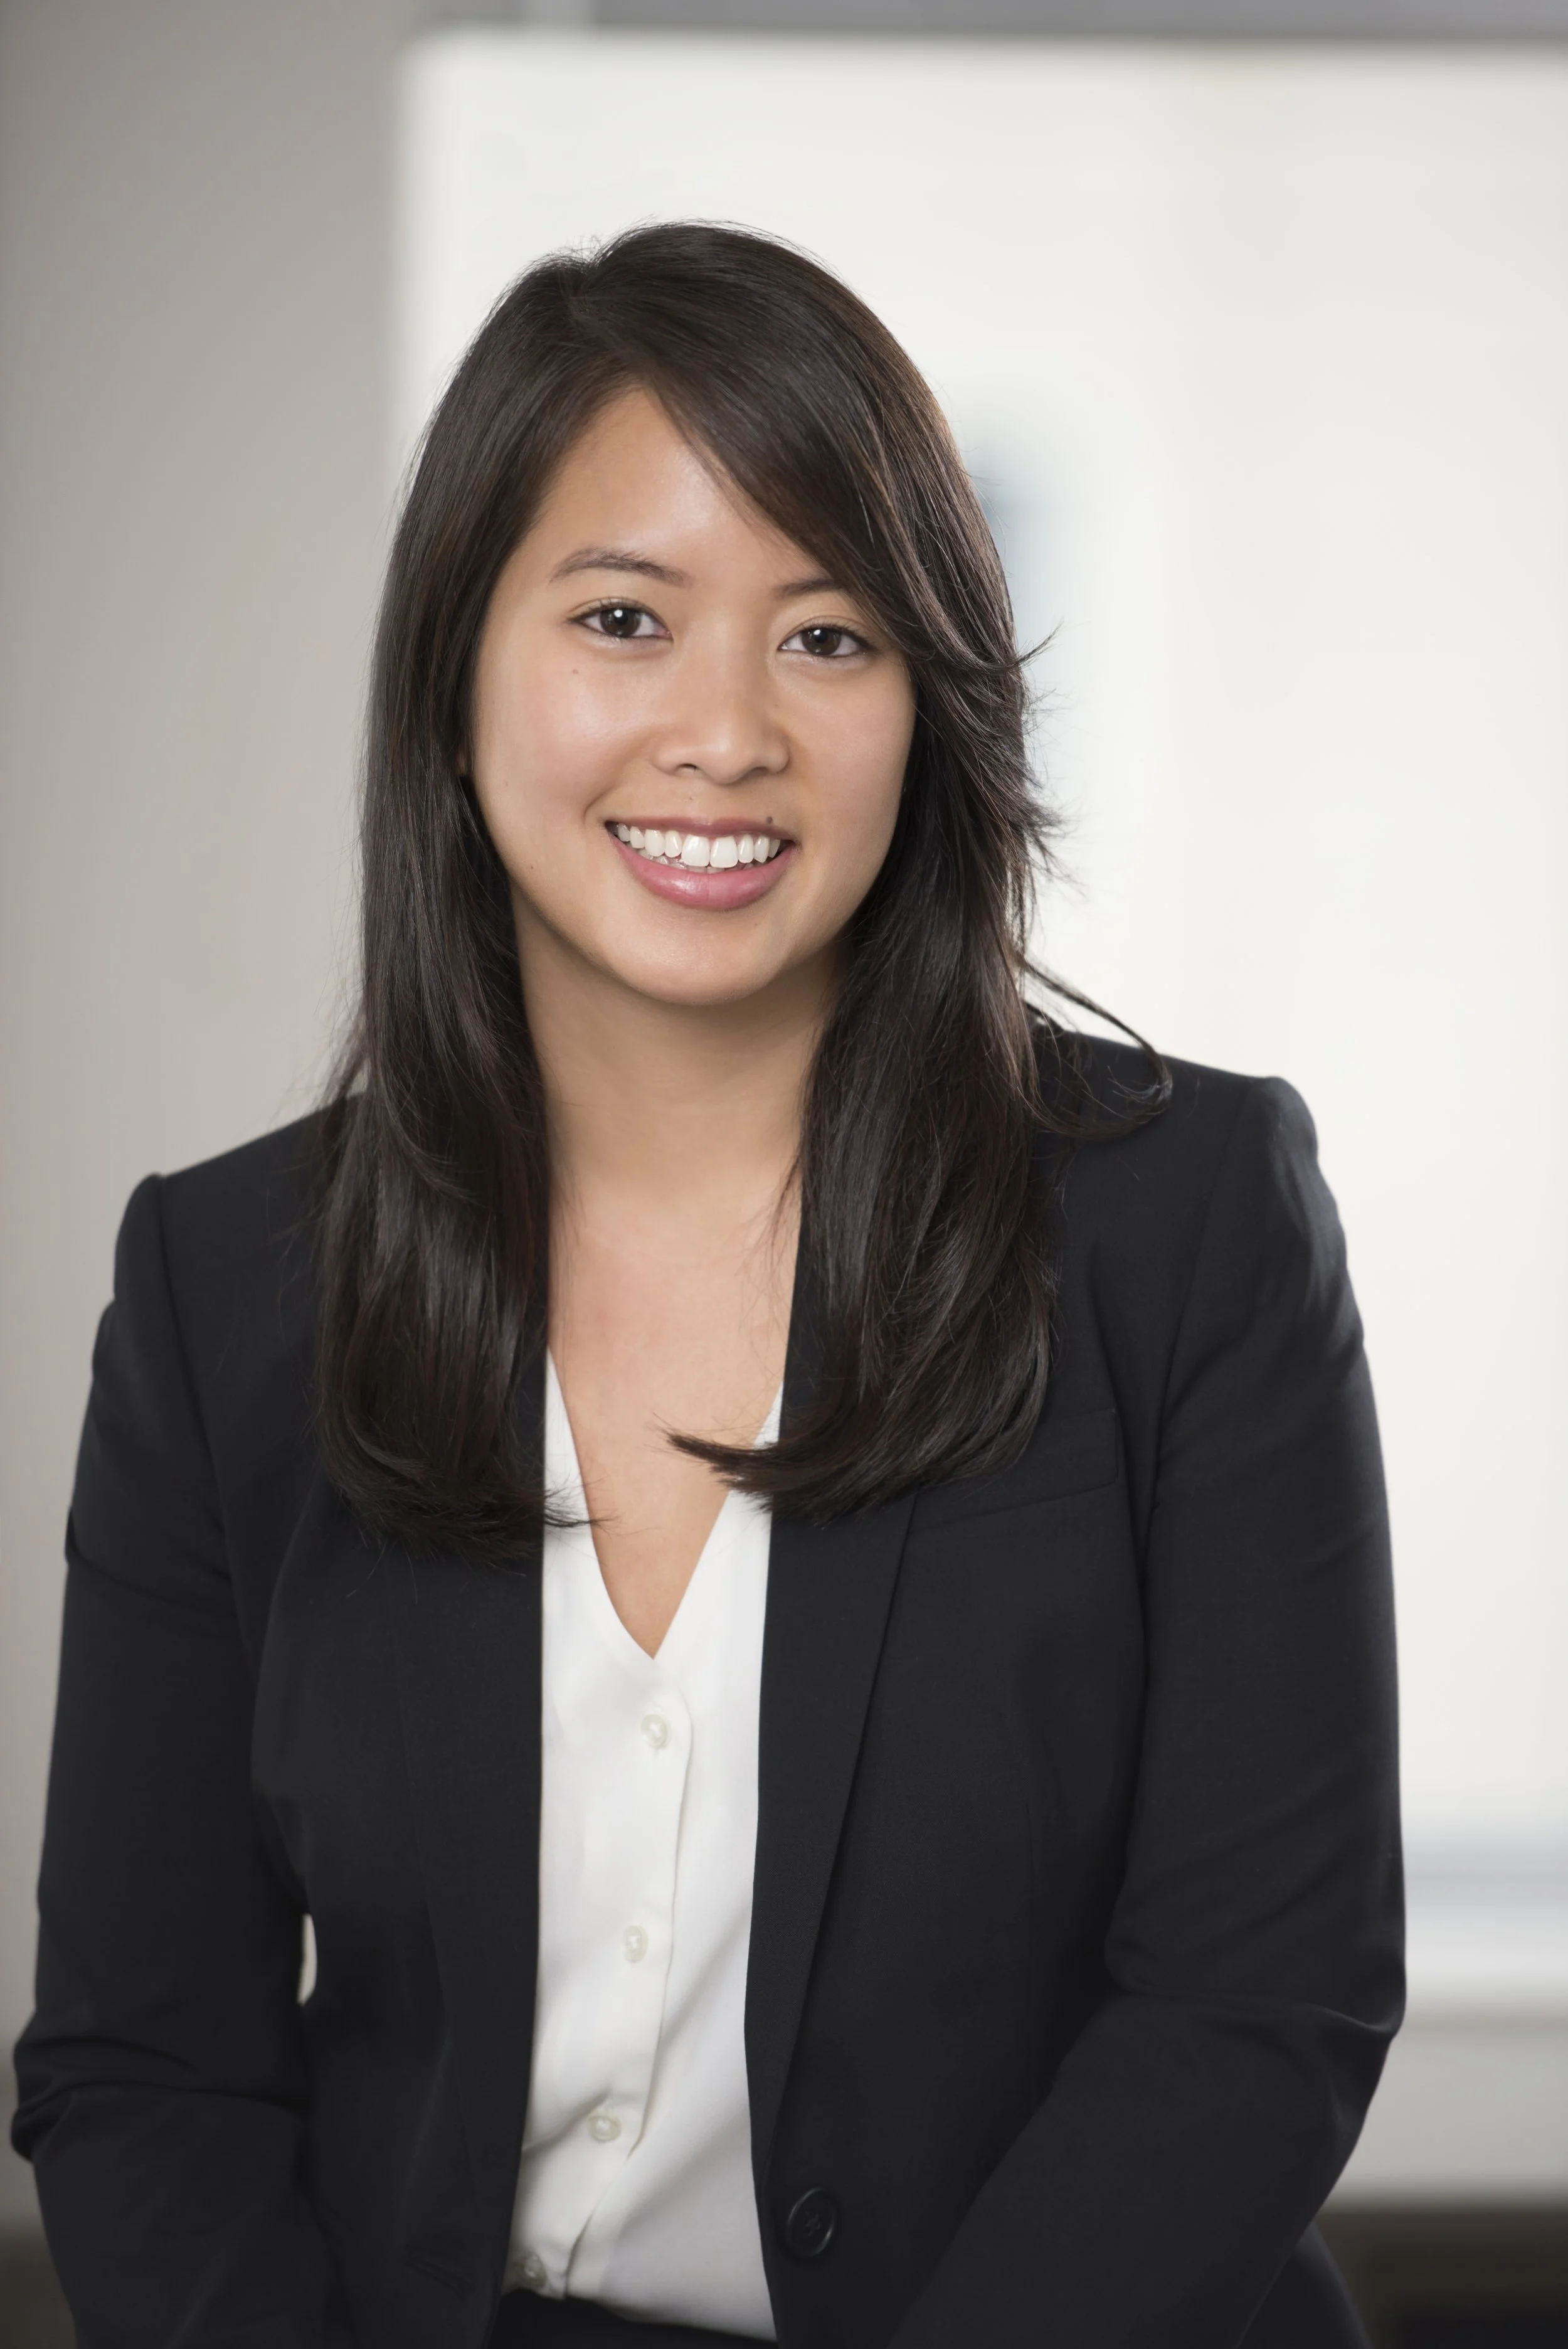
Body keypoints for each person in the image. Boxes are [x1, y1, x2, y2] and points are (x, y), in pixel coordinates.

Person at [12, 223, 1401, 2349]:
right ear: (457, 671)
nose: (726, 731)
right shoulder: (224, 1290)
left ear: (928, 705)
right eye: (623, 618)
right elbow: (149, 2063)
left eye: (829, 638)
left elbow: (1251, 2002)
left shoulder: (1187, 1223)